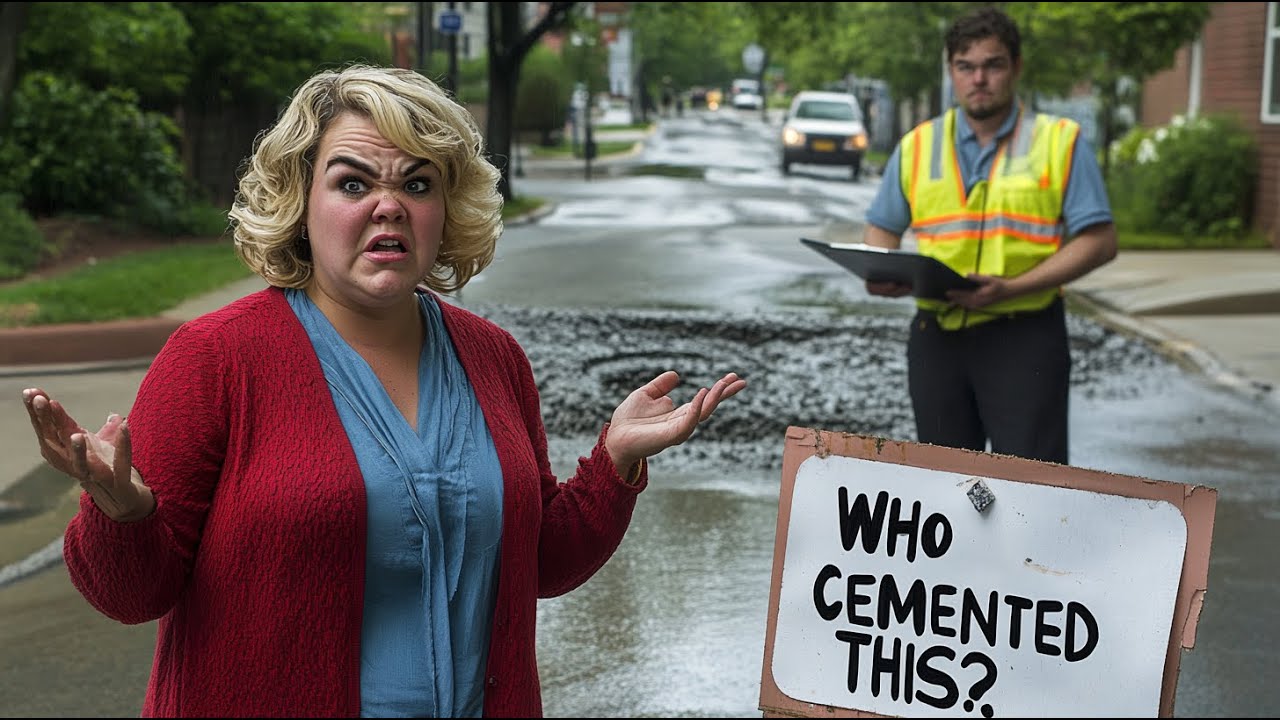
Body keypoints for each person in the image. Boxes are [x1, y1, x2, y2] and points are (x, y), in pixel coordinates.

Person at [19, 63, 746, 718]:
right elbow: (130, 594)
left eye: (417, 183)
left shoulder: (494, 360)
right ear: (302, 202)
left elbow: (535, 562)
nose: (389, 205)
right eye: (354, 182)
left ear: (445, 208)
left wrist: (614, 463)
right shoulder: (216, 360)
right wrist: (122, 508)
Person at [862, 6, 1117, 465]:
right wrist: (882, 268)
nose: (978, 78)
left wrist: (1012, 288)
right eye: (965, 66)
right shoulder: (917, 145)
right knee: (941, 485)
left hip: (1024, 335)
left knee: (1031, 485)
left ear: (1015, 68)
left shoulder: (1060, 141)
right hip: (937, 336)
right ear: (951, 71)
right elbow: (882, 229)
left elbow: (1099, 241)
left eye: (992, 65)